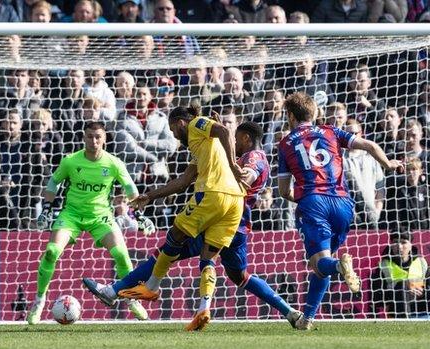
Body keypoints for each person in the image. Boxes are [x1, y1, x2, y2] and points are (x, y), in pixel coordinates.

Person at [83, 122, 302, 327]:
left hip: (222, 217)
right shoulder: (236, 153)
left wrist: (234, 170)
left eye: (237, 139)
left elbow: (248, 174)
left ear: (245, 137)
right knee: (239, 276)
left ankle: (115, 291)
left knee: (167, 250)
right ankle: (289, 312)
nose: (234, 144)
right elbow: (191, 177)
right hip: (238, 226)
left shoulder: (254, 156)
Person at [276, 92, 402, 330]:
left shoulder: (285, 143)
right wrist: (388, 164)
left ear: (290, 116)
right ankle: (307, 318)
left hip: (314, 203)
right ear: (313, 114)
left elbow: (283, 191)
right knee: (321, 264)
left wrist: (302, 199)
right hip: (344, 204)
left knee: (323, 263)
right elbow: (369, 145)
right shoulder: (331, 131)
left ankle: (339, 267)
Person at [118, 104, 246, 331]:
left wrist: (234, 164)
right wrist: (149, 196)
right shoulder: (203, 146)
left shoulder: (196, 124)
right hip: (235, 201)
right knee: (208, 259)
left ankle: (152, 286)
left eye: (173, 130)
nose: (174, 135)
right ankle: (203, 310)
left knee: (175, 235)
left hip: (213, 193)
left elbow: (225, 132)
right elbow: (183, 182)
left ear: (181, 123)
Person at [26, 122, 155, 324]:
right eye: (89, 136)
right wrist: (47, 209)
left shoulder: (113, 163)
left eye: (97, 137)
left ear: (104, 138)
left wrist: (138, 216)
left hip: (101, 217)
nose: (93, 141)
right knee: (51, 251)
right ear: (83, 138)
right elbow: (53, 182)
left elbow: (131, 190)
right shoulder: (70, 161)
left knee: (121, 253)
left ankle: (131, 299)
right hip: (71, 215)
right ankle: (39, 300)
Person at [372, 232, 429, 318]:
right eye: (395, 242)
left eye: (403, 242)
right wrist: (404, 287)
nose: (399, 246)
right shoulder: (383, 265)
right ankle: (404, 325)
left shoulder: (422, 262)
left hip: (421, 307)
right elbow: (377, 297)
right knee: (402, 285)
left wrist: (421, 291)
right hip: (397, 310)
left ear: (411, 245)